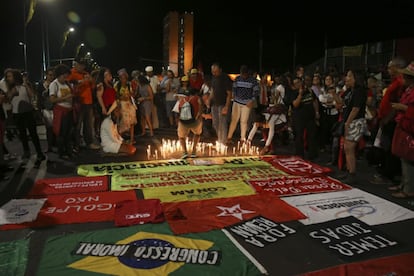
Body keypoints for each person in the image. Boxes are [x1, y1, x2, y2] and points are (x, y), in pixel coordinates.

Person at [5, 68, 46, 165]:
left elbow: (32, 95)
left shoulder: (24, 85)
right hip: (17, 113)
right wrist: (11, 92)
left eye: (10, 76)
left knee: (33, 133)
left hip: (27, 112)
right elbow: (8, 100)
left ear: (15, 76)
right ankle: (26, 151)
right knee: (22, 134)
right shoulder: (10, 88)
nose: (8, 78)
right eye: (7, 77)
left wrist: (26, 84)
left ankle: (39, 152)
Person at [388, 61, 414, 198]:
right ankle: (404, 184)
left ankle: (408, 189)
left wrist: (402, 108)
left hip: (410, 128)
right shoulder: (408, 90)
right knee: (403, 157)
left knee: (408, 158)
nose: (402, 78)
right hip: (403, 126)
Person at [227, 65, 259, 144]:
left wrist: (251, 100)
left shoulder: (253, 81)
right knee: (234, 120)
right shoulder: (237, 79)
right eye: (242, 74)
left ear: (247, 73)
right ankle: (229, 137)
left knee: (244, 121)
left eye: (244, 74)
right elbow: (234, 88)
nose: (243, 76)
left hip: (247, 103)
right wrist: (234, 95)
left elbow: (256, 92)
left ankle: (242, 138)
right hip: (237, 102)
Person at [173, 84, 202, 159]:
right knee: (197, 134)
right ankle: (194, 151)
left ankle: (185, 152)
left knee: (181, 137)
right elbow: (201, 108)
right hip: (195, 121)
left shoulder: (181, 100)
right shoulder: (197, 98)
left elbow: (177, 111)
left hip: (183, 122)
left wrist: (177, 120)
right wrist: (199, 117)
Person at [210, 63, 232, 144]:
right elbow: (212, 90)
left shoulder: (225, 78)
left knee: (222, 123)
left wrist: (226, 106)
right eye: (212, 71)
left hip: (222, 103)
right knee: (215, 123)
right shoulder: (213, 78)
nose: (214, 73)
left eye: (216, 71)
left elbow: (229, 93)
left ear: (220, 70)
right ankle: (220, 138)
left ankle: (223, 141)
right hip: (214, 104)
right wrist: (209, 99)